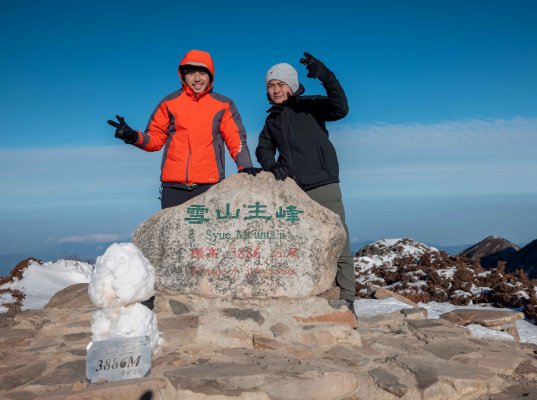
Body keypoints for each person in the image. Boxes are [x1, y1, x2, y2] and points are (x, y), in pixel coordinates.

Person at [255, 52, 355, 310]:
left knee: (339, 240)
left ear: (292, 86)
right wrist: (272, 165)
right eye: (271, 86)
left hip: (324, 184)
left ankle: (347, 298)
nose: (276, 90)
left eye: (281, 84)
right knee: (304, 244)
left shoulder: (310, 105)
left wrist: (325, 75)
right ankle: (315, 292)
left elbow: (340, 108)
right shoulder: (272, 120)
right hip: (295, 192)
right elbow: (263, 148)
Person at [108, 49, 260, 209]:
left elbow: (235, 138)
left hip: (209, 185)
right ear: (183, 75)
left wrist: (245, 165)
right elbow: (155, 139)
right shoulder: (169, 102)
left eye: (202, 72)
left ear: (210, 75)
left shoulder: (223, 104)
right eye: (191, 73)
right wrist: (133, 137)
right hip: (173, 188)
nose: (196, 79)